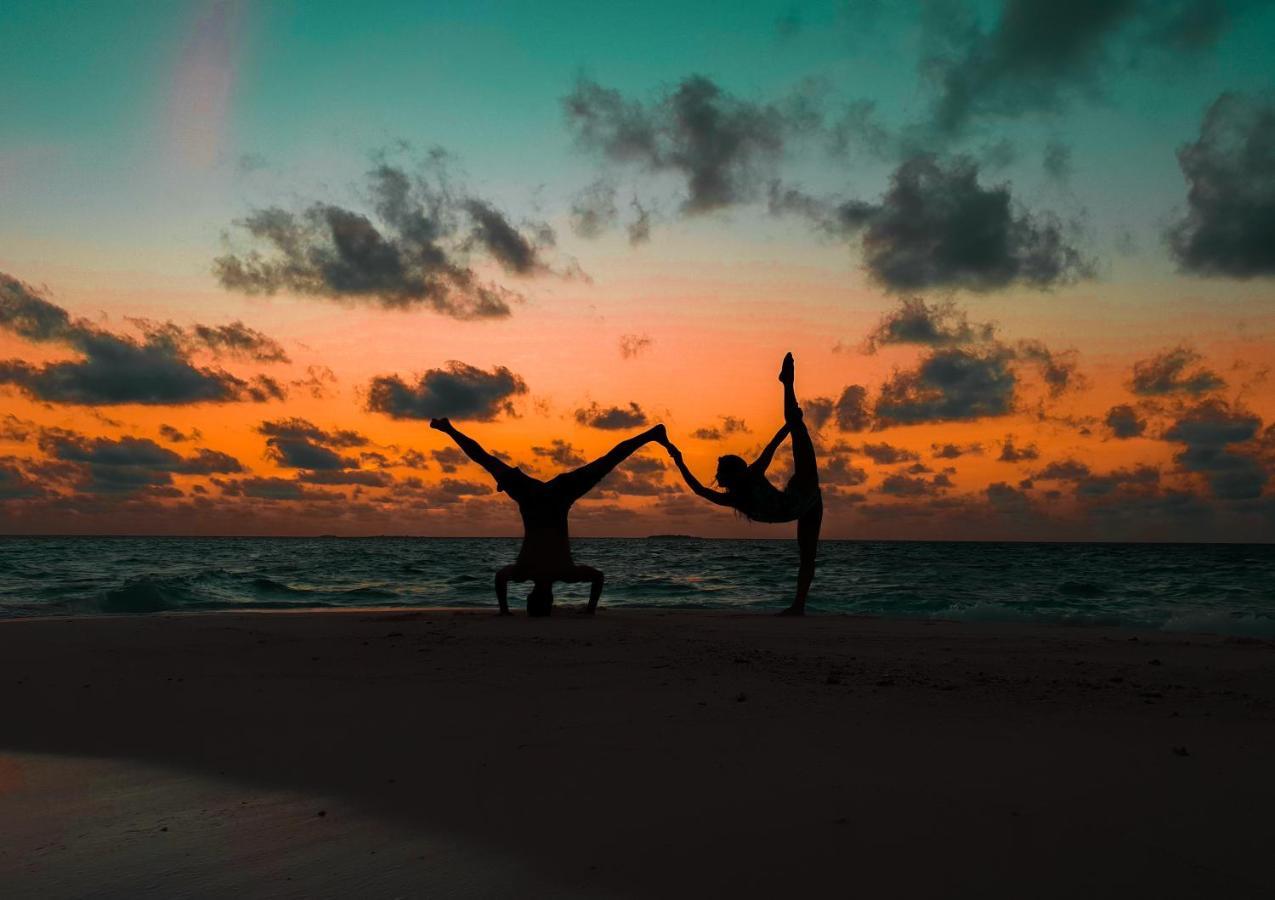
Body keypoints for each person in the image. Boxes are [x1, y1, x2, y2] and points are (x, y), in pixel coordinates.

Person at [430, 417, 667, 616]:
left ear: (550, 599)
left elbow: (598, 578)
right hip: (533, 497)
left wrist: (590, 608)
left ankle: (651, 435)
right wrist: (504, 609)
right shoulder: (523, 572)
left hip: (557, 497)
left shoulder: (565, 573)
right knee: (486, 460)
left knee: (607, 461)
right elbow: (500, 578)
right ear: (531, 596)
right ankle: (448, 429)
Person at [661, 353, 822, 615]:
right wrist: (678, 460)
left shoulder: (749, 478)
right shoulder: (736, 495)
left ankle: (787, 384)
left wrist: (789, 426)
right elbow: (699, 490)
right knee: (807, 555)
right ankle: (798, 607)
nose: (717, 476)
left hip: (805, 496)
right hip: (802, 500)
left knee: (797, 428)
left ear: (732, 474)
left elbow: (771, 448)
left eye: (719, 472)